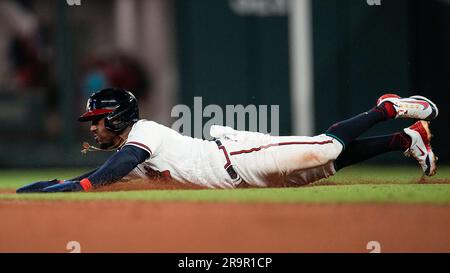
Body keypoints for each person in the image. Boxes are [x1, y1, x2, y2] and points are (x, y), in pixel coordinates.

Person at [16, 88, 439, 193]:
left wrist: (79, 186)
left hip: (241, 158)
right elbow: (99, 172)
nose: (93, 128)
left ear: (118, 117)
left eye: (98, 120)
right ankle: (403, 141)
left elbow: (107, 174)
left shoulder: (141, 135)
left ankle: (387, 108)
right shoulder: (130, 152)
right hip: (254, 181)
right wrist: (44, 188)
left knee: (325, 147)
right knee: (327, 166)